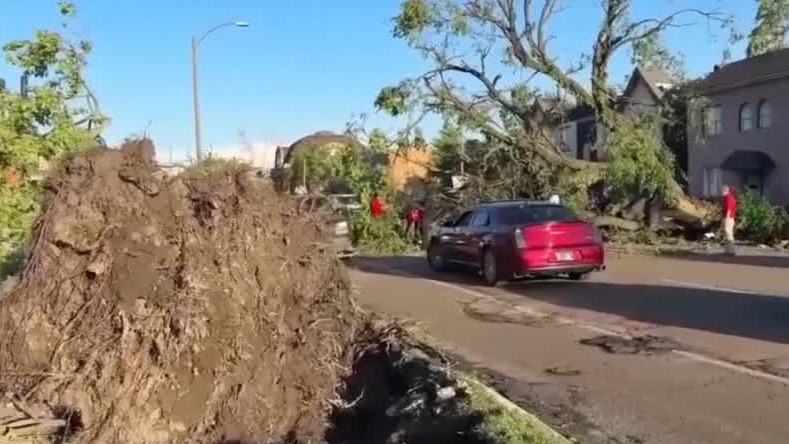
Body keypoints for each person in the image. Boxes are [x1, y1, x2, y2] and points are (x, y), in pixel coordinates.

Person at [721, 185, 737, 255]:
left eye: (722, 190)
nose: (721, 192)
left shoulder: (728, 198)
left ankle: (731, 251)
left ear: (726, 191)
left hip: (729, 218)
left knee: (729, 234)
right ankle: (728, 251)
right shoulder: (729, 197)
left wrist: (727, 219)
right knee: (728, 234)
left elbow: (729, 210)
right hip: (730, 218)